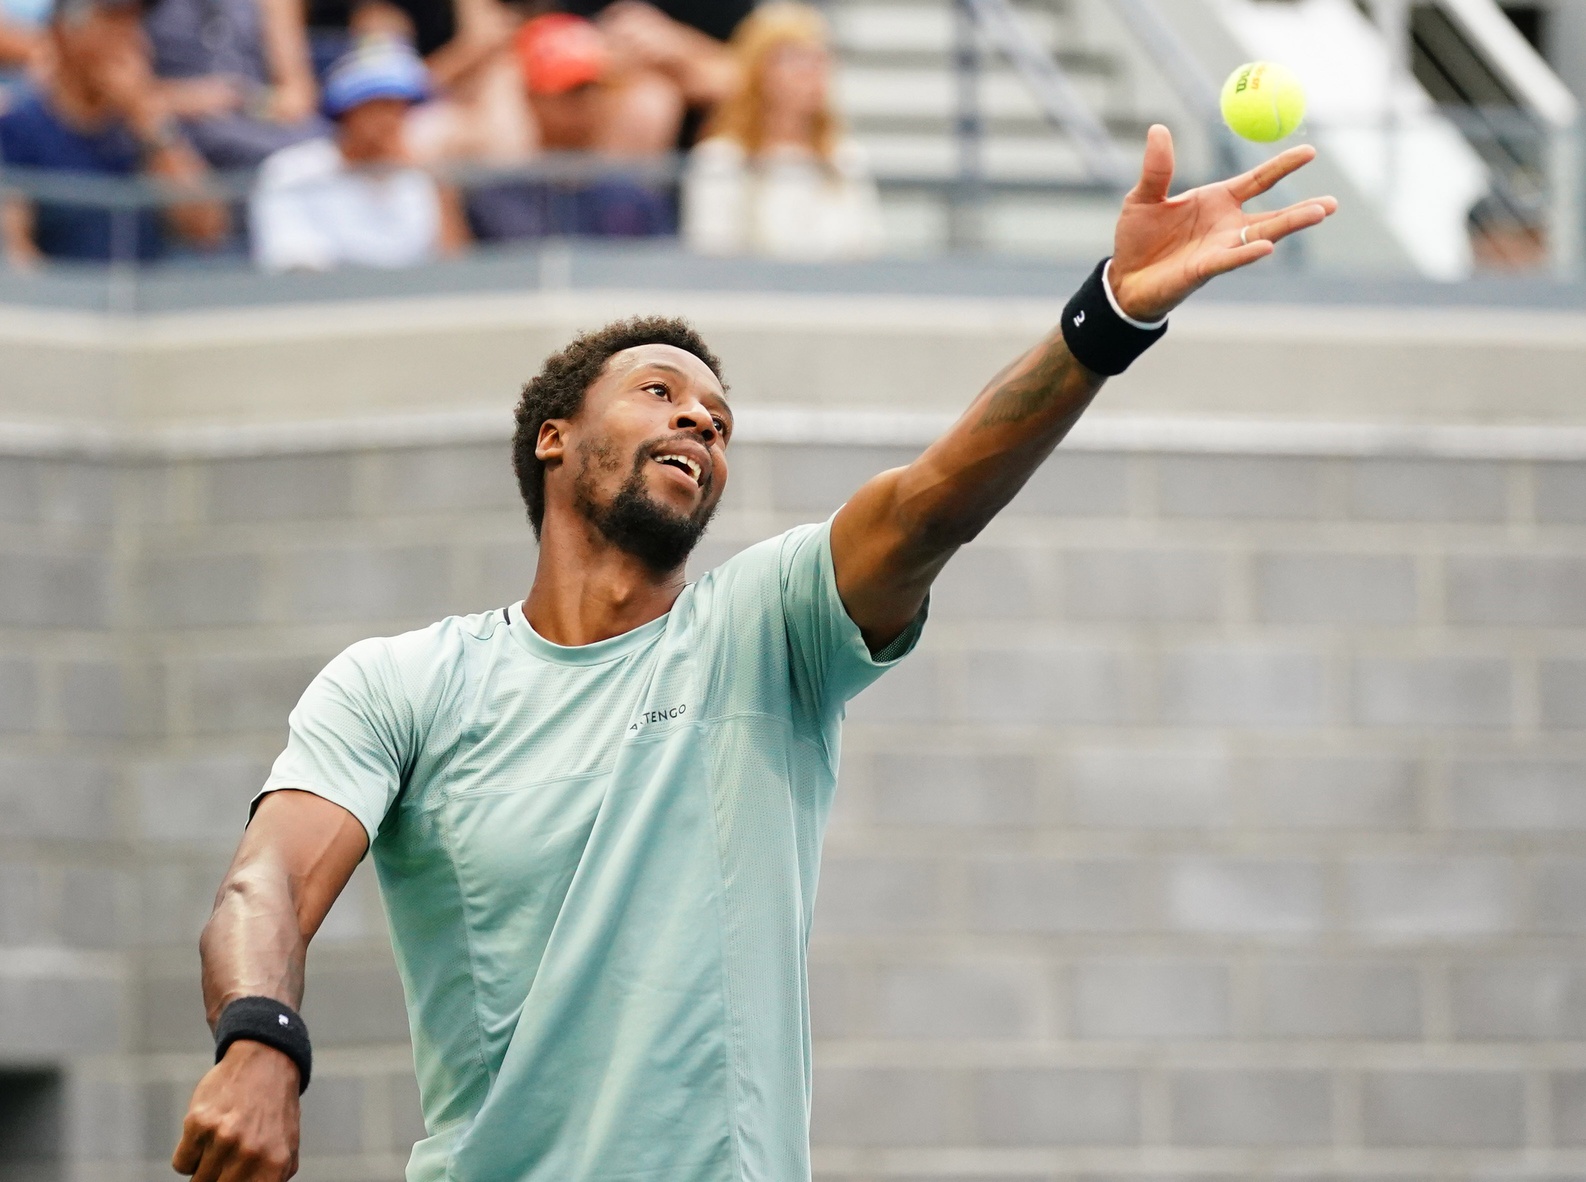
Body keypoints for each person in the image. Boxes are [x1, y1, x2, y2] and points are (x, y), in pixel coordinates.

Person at [172, 126, 1337, 1182]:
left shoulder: (763, 629)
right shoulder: (404, 683)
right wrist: (260, 1041)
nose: (697, 420)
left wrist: (1109, 316)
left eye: (717, 420)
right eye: (660, 392)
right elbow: (265, 879)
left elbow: (931, 503)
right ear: (552, 436)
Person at [0, 0, 227, 265]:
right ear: (63, 34)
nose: (129, 39)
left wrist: (148, 121)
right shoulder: (19, 128)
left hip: (149, 296)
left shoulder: (148, 125)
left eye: (134, 22)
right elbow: (16, 252)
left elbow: (207, 230)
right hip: (66, 300)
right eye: (113, 23)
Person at [683, 2, 882, 261]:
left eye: (820, 59)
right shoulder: (721, 161)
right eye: (797, 59)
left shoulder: (844, 159)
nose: (812, 73)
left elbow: (866, 252)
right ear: (759, 71)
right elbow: (711, 254)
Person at [249, 36, 468, 270]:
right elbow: (295, 271)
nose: (390, 121)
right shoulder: (291, 171)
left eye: (399, 108)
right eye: (379, 107)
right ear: (346, 112)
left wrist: (439, 189)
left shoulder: (420, 177)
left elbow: (452, 271)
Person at [142, 0, 326, 167]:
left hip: (258, 120)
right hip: (176, 122)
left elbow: (297, 94)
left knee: (323, 151)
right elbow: (125, 88)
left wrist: (246, 99)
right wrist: (184, 98)